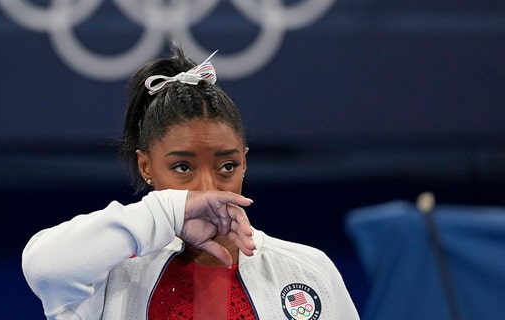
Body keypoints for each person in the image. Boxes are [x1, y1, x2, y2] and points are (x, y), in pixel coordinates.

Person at [22, 46, 359, 320]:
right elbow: (43, 267)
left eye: (228, 165)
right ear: (146, 166)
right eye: (183, 167)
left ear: (245, 162)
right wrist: (167, 212)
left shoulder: (308, 270)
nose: (208, 188)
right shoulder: (110, 272)